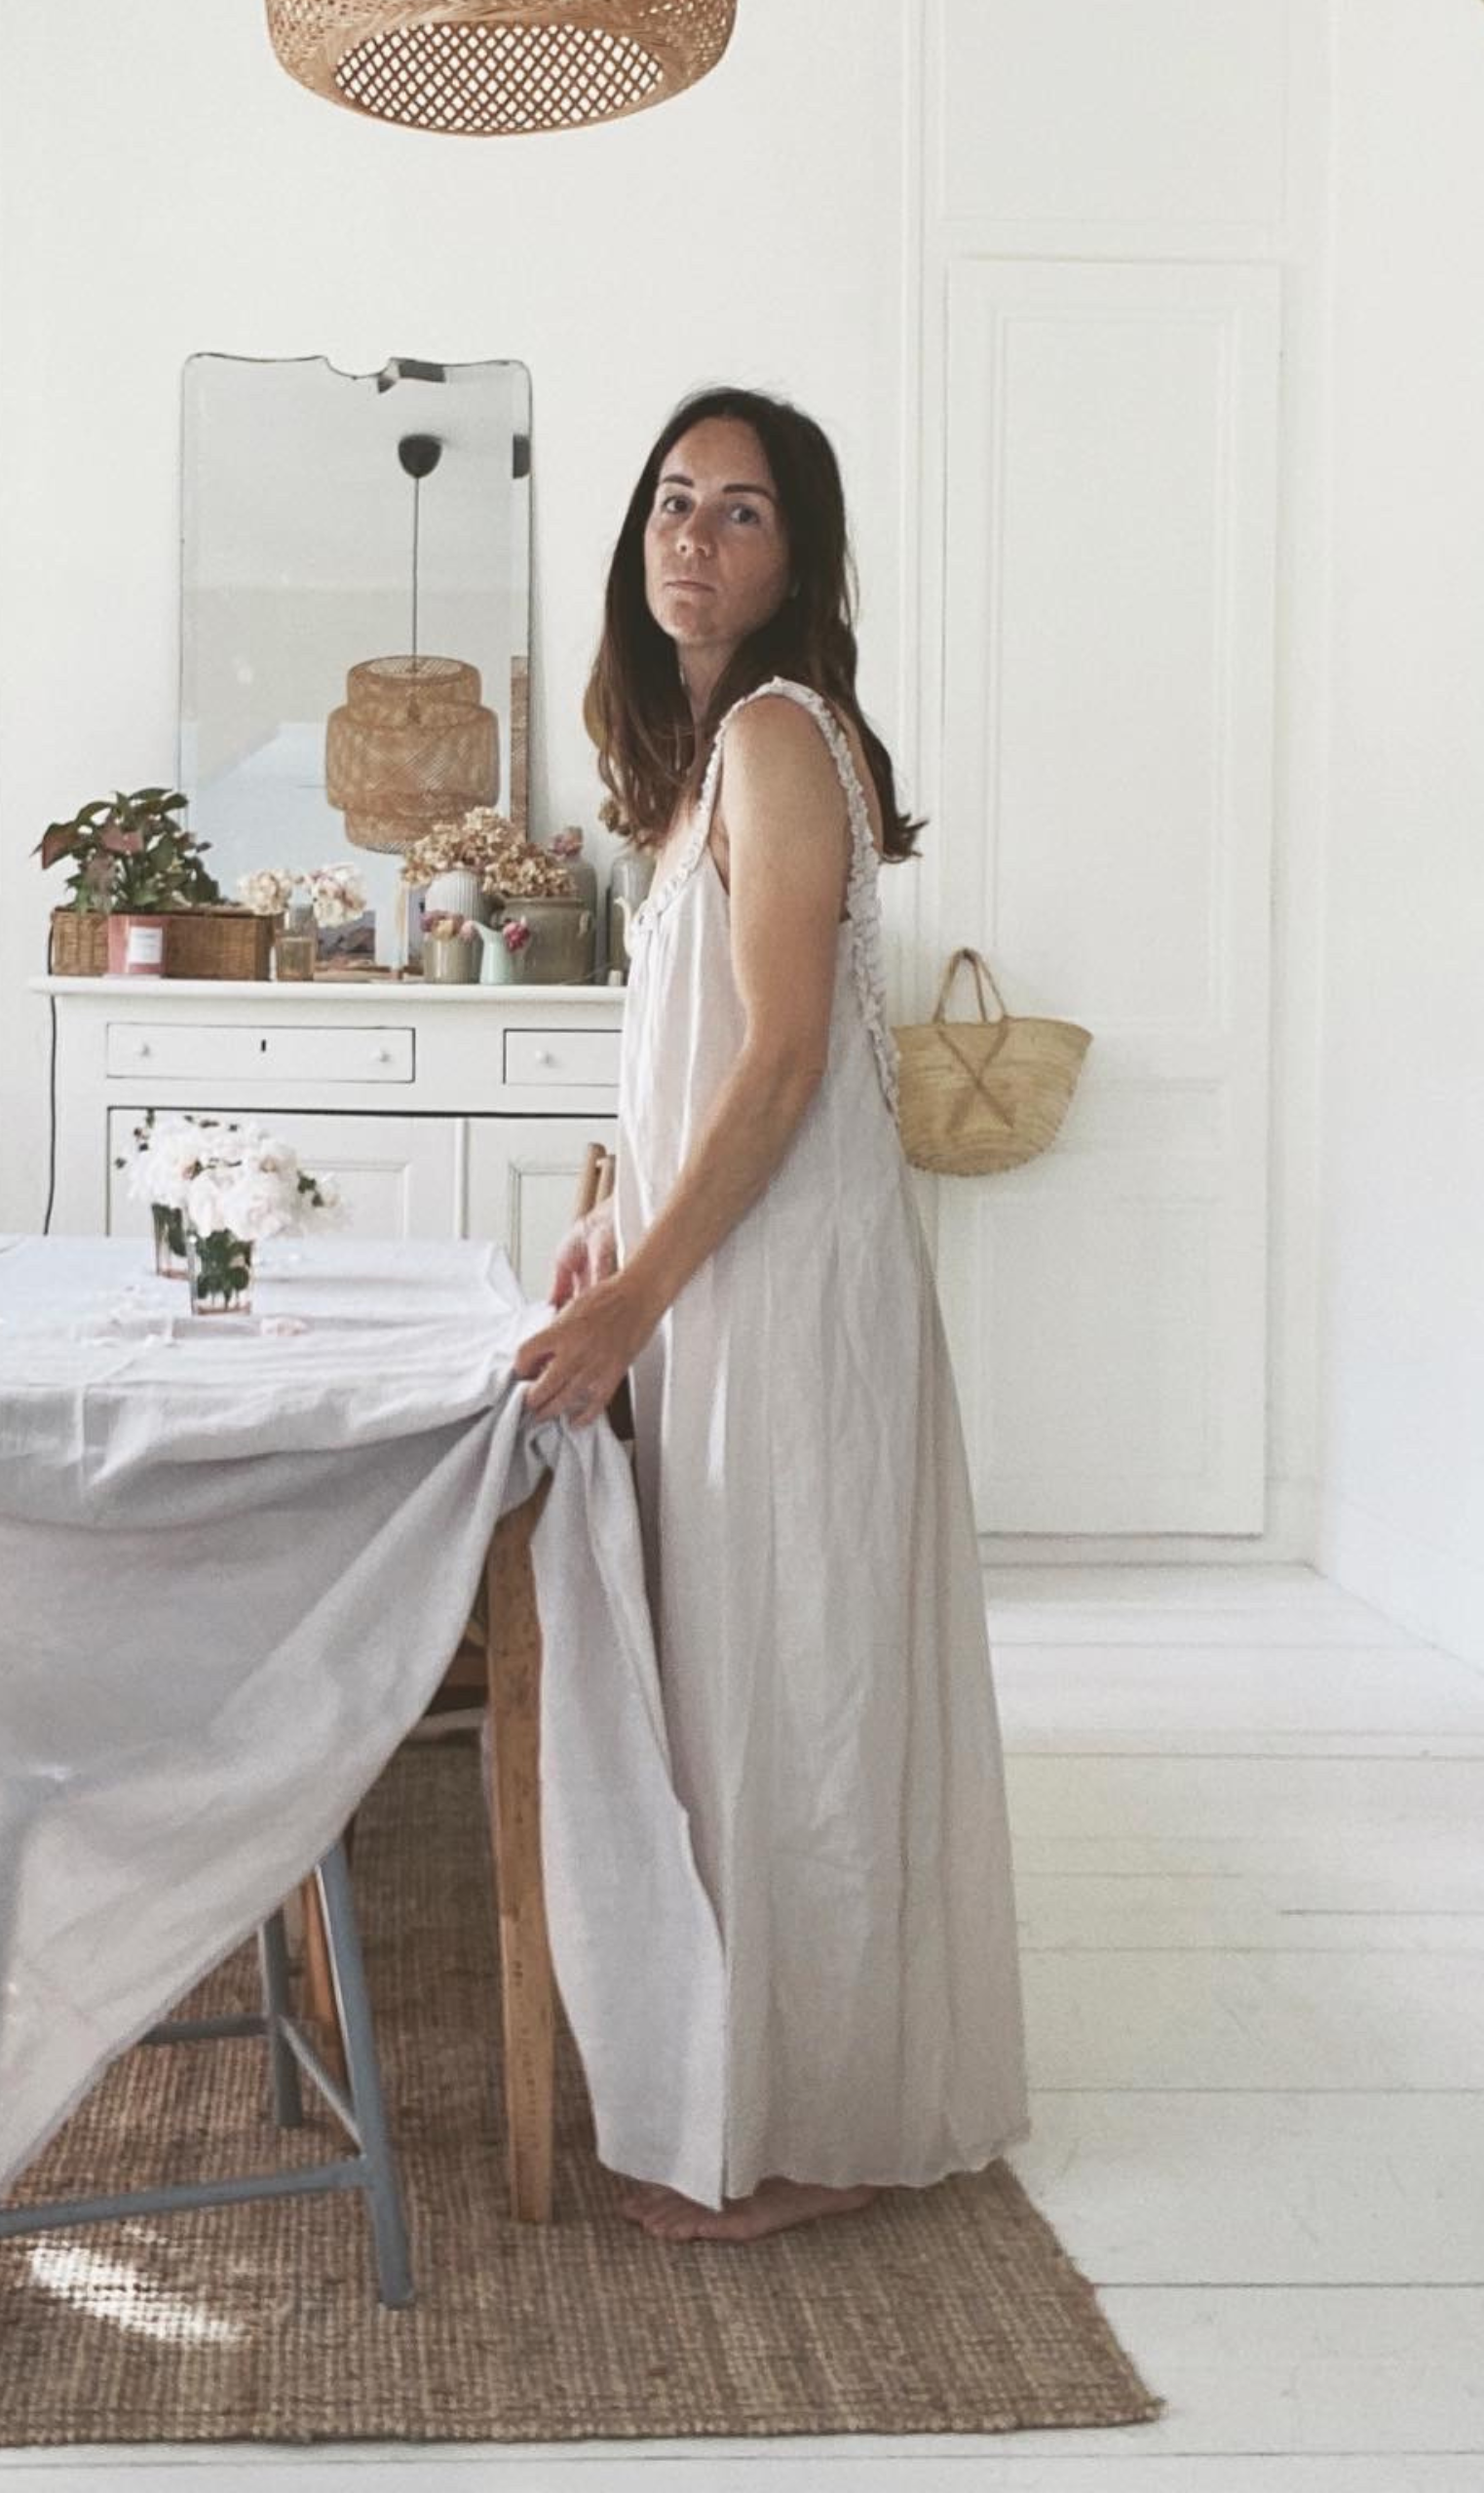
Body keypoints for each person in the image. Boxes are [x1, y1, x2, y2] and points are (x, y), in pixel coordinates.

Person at [512, 386, 1031, 2244]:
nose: (694, 539)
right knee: (744, 1673)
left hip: (784, 1291)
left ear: (798, 555)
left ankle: (818, 2130)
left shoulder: (783, 741)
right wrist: (606, 1214)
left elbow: (791, 1061)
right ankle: (750, 2077)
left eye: (740, 512)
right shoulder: (704, 762)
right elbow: (688, 1055)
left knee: (799, 1690)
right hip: (720, 1277)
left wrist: (635, 1303)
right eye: (672, 502)